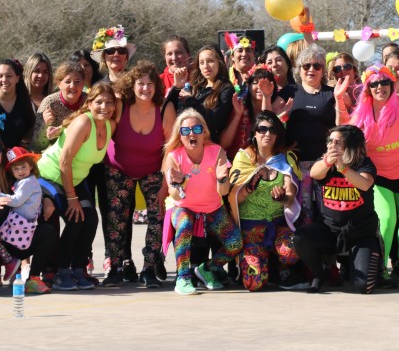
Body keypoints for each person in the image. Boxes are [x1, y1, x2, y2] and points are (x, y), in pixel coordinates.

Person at [350, 65, 399, 285]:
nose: (380, 87)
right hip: (378, 176)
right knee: (386, 220)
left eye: (385, 82)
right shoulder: (360, 114)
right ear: (367, 88)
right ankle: (380, 267)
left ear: (392, 85)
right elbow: (345, 137)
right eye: (374, 83)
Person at [102, 61, 175, 288]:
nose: (145, 88)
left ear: (157, 87)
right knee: (117, 216)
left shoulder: (164, 108)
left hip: (152, 170)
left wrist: (165, 183)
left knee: (157, 215)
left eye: (150, 84)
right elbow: (103, 130)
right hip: (118, 168)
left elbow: (170, 148)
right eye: (140, 84)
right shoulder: (121, 105)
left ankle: (149, 268)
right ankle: (115, 267)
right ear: (131, 86)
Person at [37, 83, 116, 291]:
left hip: (75, 178)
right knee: (76, 218)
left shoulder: (110, 126)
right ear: (89, 104)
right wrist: (72, 198)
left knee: (91, 217)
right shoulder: (83, 123)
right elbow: (64, 161)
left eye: (109, 103)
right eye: (99, 102)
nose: (104, 107)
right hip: (51, 175)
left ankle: (79, 270)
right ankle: (62, 272)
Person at [0, 134, 57, 295]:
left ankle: (33, 278)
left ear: (2, 153)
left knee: (48, 229)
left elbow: (34, 184)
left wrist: (47, 198)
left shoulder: (10, 174)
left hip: (13, 238)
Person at [162, 109, 242, 295]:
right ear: (179, 135)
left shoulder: (217, 152)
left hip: (213, 208)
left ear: (204, 132)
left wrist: (222, 179)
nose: (192, 134)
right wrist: (180, 182)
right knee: (185, 224)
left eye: (197, 129)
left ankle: (207, 268)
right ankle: (182, 277)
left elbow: (222, 192)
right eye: (186, 131)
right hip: (184, 208)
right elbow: (175, 195)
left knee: (235, 243)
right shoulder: (174, 157)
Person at [294, 125, 381, 293]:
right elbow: (314, 173)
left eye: (338, 142)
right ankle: (320, 273)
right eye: (330, 141)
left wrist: (343, 168)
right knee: (300, 237)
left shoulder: (364, 163)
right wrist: (328, 162)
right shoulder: (325, 164)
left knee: (364, 287)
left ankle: (358, 263)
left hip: (360, 233)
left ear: (350, 146)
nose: (332, 146)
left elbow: (364, 184)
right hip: (330, 230)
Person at [229, 111, 303, 291]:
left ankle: (281, 269)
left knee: (291, 251)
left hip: (278, 224)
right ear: (254, 133)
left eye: (272, 130)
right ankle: (264, 264)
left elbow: (290, 197)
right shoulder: (243, 158)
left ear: (278, 134)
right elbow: (233, 199)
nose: (267, 134)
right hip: (251, 227)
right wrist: (249, 188)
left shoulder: (287, 158)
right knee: (254, 283)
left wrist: (282, 197)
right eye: (262, 129)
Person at [285, 46, 341, 222]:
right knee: (304, 210)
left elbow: (340, 125)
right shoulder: (289, 92)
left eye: (317, 66)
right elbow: (270, 120)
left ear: (323, 70)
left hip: (325, 162)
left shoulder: (331, 93)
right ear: (299, 69)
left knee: (326, 207)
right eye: (306, 66)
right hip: (297, 163)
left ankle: (328, 245)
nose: (311, 70)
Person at [0, 147, 42, 282]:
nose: (20, 171)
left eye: (23, 167)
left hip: (19, 225)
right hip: (21, 223)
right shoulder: (26, 181)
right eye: (15, 169)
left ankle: (10, 262)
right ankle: (12, 266)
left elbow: (16, 201)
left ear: (31, 166)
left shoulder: (28, 182)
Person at [32, 61, 87, 152]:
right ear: (59, 84)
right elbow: (37, 145)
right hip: (55, 155)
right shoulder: (49, 103)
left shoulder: (89, 102)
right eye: (67, 82)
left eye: (77, 81)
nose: (72, 86)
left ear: (83, 83)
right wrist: (45, 125)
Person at [0, 59, 36, 149]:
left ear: (17, 78)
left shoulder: (24, 102)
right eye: (0, 76)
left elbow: (30, 132)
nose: (4, 80)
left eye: (9, 76)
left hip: (18, 160)